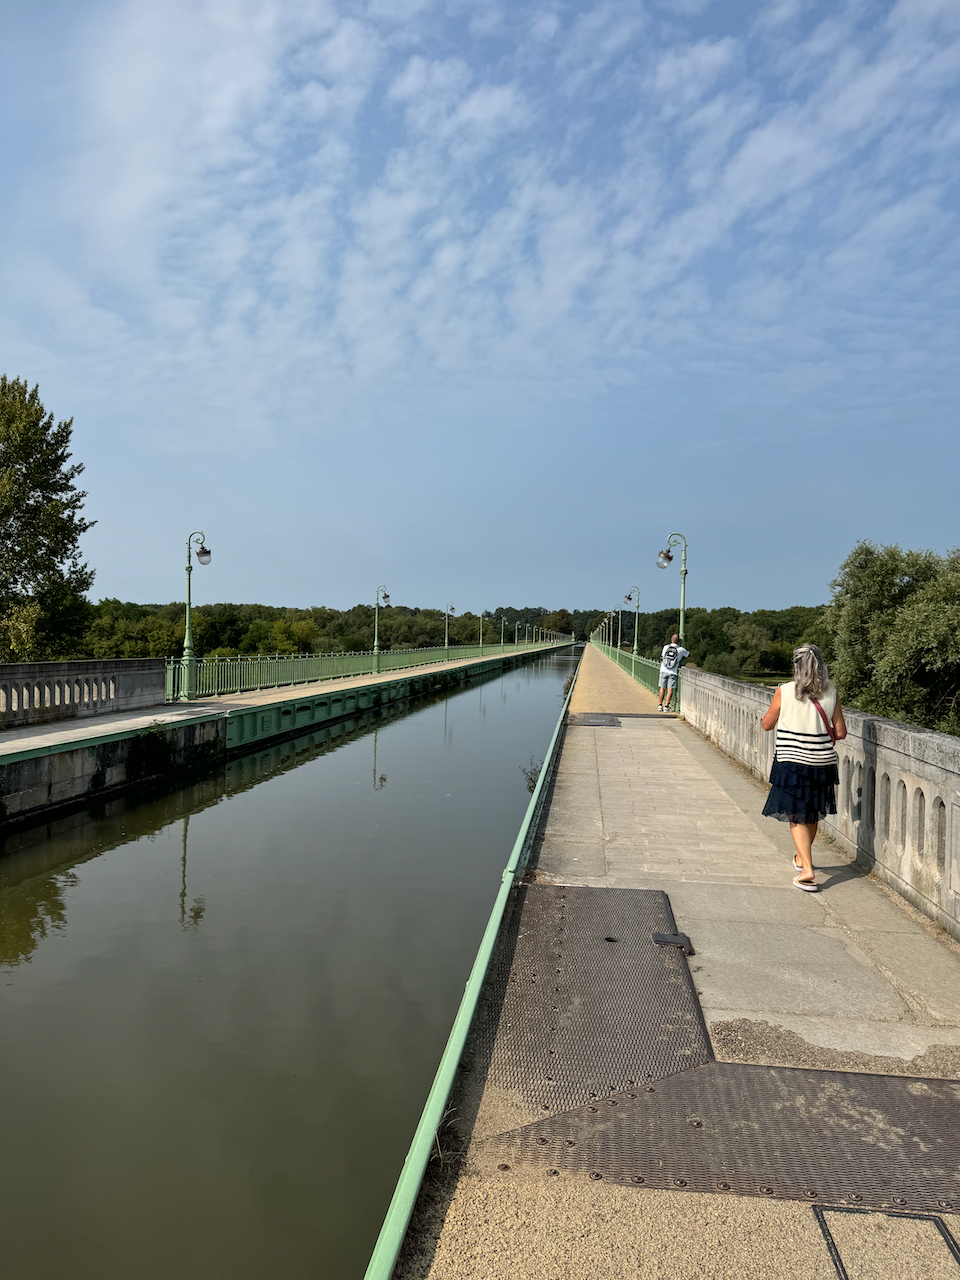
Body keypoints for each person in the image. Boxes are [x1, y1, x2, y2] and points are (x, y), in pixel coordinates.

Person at [761, 643, 847, 891]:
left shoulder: (784, 691)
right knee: (811, 810)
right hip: (821, 762)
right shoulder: (832, 692)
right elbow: (840, 732)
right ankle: (801, 858)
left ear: (796, 666)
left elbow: (767, 724)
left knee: (796, 814)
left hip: (791, 761)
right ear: (820, 666)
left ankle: (807, 870)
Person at [658, 633, 689, 711]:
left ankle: (660, 705)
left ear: (671, 640)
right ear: (678, 641)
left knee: (662, 688)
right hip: (673, 671)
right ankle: (666, 707)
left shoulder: (666, 647)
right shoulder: (680, 650)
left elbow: (663, 656)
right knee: (670, 690)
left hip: (663, 669)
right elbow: (688, 654)